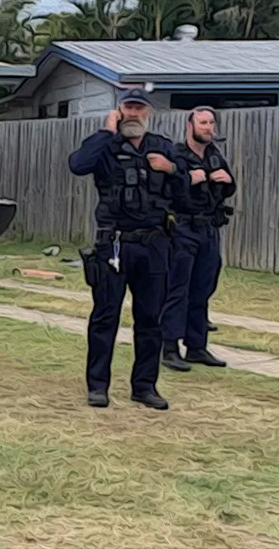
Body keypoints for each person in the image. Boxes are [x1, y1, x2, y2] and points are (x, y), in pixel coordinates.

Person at [69, 89, 186, 410]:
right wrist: (106, 131)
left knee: (150, 319)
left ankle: (144, 386)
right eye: (128, 107)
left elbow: (187, 192)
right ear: (119, 109)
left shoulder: (163, 147)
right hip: (115, 243)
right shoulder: (105, 146)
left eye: (139, 108)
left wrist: (172, 170)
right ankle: (97, 386)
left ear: (148, 112)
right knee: (105, 316)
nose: (134, 113)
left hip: (154, 244)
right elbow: (78, 165)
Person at [160, 106, 233, 372]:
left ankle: (197, 345)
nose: (208, 127)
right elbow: (165, 189)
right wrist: (187, 179)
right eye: (203, 122)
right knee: (178, 287)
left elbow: (228, 189)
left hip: (209, 227)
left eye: (211, 122)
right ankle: (169, 346)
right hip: (183, 227)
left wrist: (227, 180)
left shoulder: (215, 154)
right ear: (190, 126)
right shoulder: (177, 155)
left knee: (203, 286)